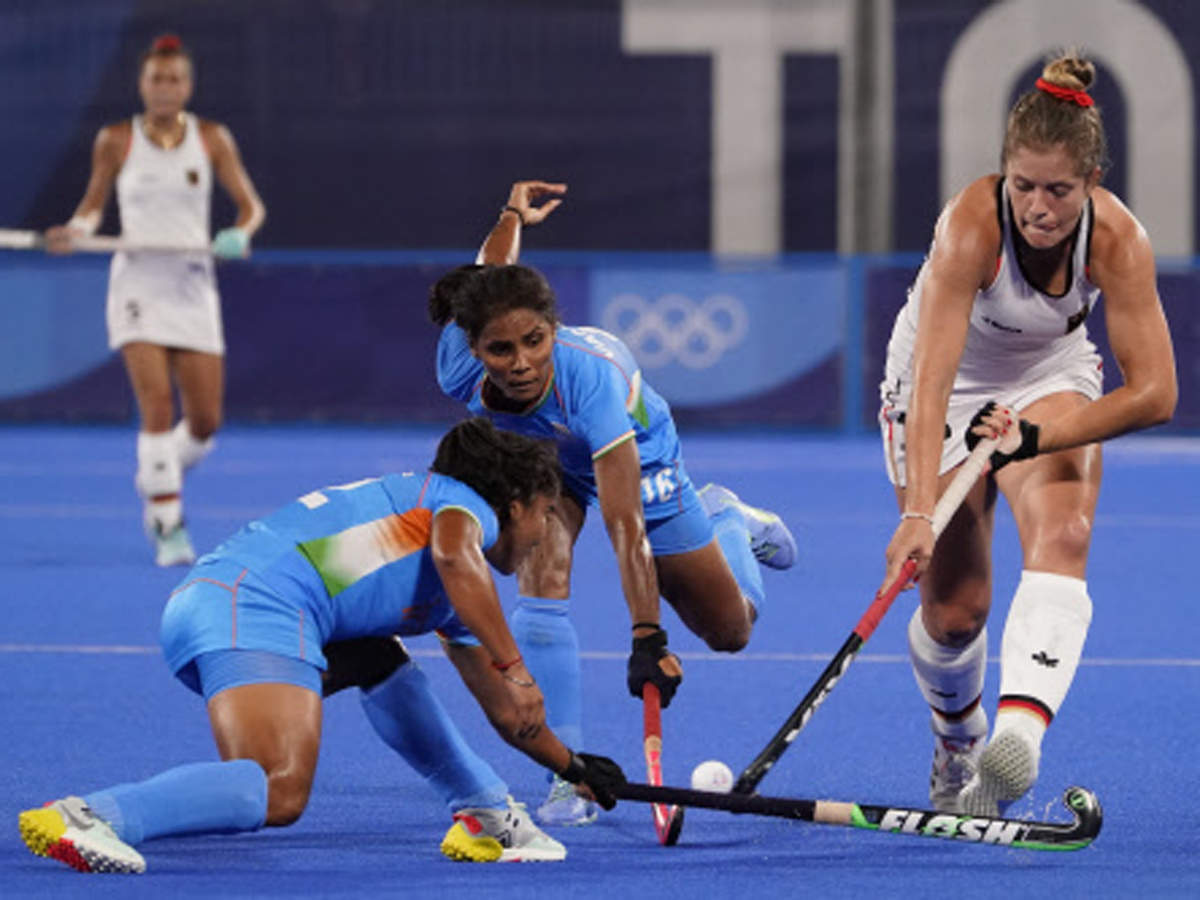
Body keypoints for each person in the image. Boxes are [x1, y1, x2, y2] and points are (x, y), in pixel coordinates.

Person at [18, 417, 625, 874]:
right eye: (546, 513)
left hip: (223, 604)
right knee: (279, 788)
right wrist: (517, 666)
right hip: (256, 606)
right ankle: (92, 816)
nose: (547, 531)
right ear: (513, 505)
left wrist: (571, 768)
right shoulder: (460, 509)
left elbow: (508, 712)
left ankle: (486, 814)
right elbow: (454, 553)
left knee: (377, 657)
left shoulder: (455, 589)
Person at [429, 182, 799, 826]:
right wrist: (512, 213)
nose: (521, 363)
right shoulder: (457, 363)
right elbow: (490, 267)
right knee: (540, 574)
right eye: (501, 349)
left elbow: (624, 523)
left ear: (553, 328)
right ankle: (566, 777)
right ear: (474, 347)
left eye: (535, 341)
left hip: (641, 455)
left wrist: (647, 636)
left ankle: (729, 519)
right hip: (547, 460)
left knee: (730, 630)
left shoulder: (590, 382)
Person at [877, 52, 1177, 817]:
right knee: (955, 613)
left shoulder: (1119, 240)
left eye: (1060, 190)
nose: (1039, 207)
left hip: (1049, 371)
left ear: (1093, 183)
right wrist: (918, 511)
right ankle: (959, 742)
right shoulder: (970, 226)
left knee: (1064, 531)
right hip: (940, 388)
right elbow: (932, 380)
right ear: (1003, 174)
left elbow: (1155, 394)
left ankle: (1018, 740)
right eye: (1024, 185)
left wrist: (1035, 440)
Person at [45, 33, 266, 567]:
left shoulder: (212, 138)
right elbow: (92, 209)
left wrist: (238, 234)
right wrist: (74, 231)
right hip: (138, 285)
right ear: (142, 85)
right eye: (155, 79)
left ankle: (155, 472)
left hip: (192, 285)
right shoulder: (116, 139)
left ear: (187, 85)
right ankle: (167, 519)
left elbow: (250, 208)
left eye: (174, 79)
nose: (164, 88)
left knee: (206, 422)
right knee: (157, 407)